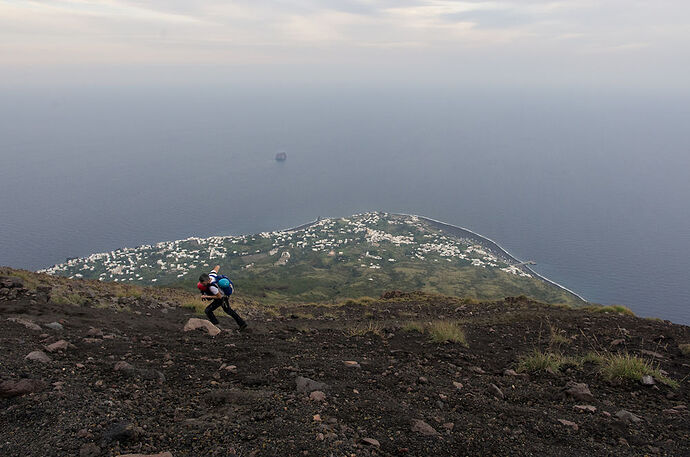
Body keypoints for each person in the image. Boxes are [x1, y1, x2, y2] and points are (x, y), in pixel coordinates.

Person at [197, 265, 247, 331]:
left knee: (209, 310)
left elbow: (219, 296)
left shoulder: (212, 287)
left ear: (206, 281)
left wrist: (206, 296)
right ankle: (242, 324)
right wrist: (218, 265)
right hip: (223, 296)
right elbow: (217, 267)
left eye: (203, 283)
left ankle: (216, 325)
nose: (202, 284)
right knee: (228, 310)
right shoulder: (211, 275)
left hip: (222, 298)